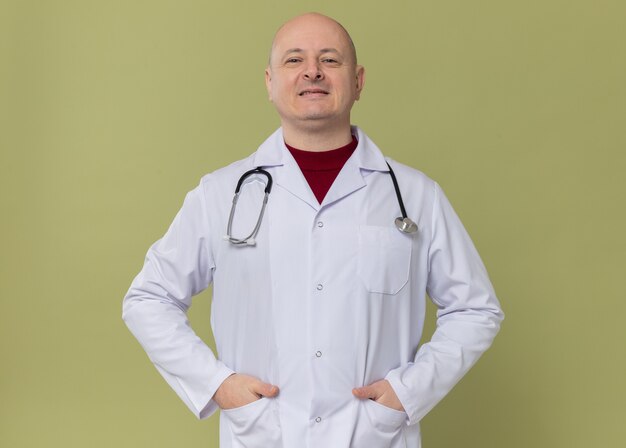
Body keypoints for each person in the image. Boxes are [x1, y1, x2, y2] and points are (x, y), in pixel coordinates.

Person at [122, 12, 504, 448]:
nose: (312, 72)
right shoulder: (221, 193)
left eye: (330, 59)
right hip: (263, 434)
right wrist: (217, 384)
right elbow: (148, 299)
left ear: (358, 81)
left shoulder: (416, 196)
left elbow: (476, 309)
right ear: (269, 82)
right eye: (294, 60)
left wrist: (409, 392)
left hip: (373, 436)